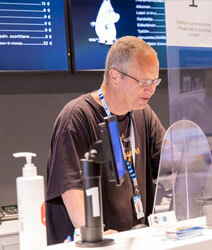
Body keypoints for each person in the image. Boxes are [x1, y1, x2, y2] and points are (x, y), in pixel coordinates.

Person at [45, 36, 166, 244]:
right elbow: (69, 185)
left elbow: (169, 162)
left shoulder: (143, 114)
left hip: (132, 240)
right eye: (144, 82)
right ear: (115, 76)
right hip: (94, 244)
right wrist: (91, 234)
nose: (151, 89)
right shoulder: (76, 116)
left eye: (154, 81)